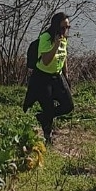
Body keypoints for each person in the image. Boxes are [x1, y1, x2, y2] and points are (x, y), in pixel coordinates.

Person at [32, 12, 75, 144]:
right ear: (56, 26)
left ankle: (42, 117)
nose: (65, 30)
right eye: (63, 27)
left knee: (68, 106)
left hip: (57, 75)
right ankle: (47, 137)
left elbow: (64, 57)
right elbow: (45, 61)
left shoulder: (64, 38)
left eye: (68, 27)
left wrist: (66, 75)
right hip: (42, 77)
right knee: (48, 107)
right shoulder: (45, 37)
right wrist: (55, 45)